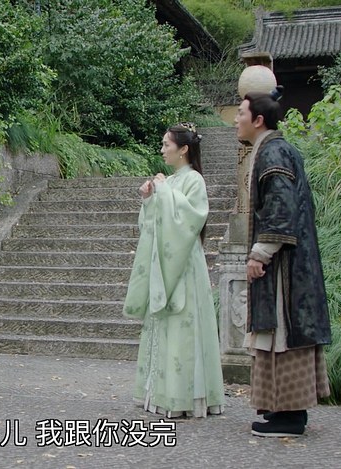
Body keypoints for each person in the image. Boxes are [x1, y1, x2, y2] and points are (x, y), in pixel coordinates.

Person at [236, 87, 331, 437]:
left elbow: (280, 208)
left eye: (241, 113)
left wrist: (260, 253)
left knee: (282, 331)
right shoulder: (276, 148)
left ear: (258, 120)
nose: (236, 119)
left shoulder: (273, 152)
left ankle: (290, 415)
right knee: (280, 332)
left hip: (285, 265)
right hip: (291, 260)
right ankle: (282, 410)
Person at [122, 122, 225, 418]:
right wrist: (149, 199)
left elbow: (192, 219)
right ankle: (159, 391)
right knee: (164, 324)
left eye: (167, 144)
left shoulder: (193, 180)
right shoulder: (170, 181)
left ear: (184, 149)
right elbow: (152, 224)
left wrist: (164, 192)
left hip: (185, 265)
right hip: (164, 264)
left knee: (183, 324)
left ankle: (185, 396)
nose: (162, 149)